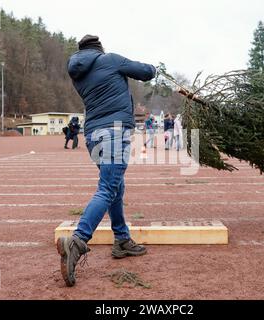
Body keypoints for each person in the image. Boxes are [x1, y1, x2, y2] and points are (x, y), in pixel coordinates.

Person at [57, 34, 156, 287]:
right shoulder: (109, 60)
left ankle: (122, 239)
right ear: (99, 48)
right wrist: (156, 68)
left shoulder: (77, 73)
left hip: (92, 135)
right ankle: (77, 241)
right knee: (108, 188)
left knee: (115, 186)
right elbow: (144, 72)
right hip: (114, 131)